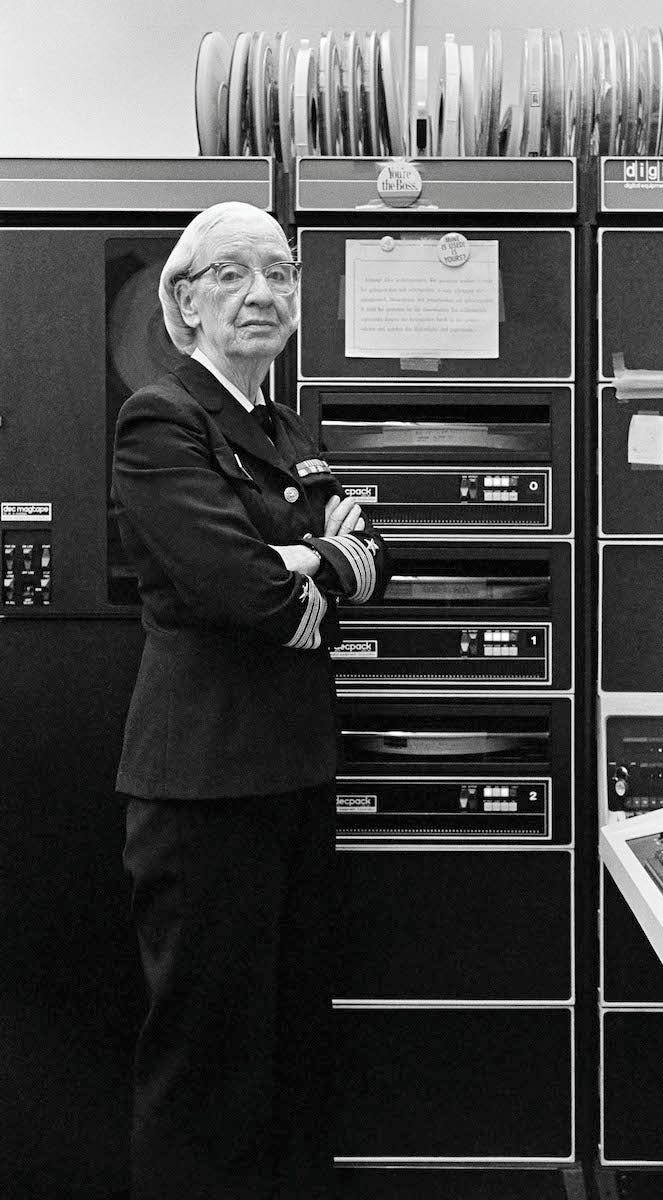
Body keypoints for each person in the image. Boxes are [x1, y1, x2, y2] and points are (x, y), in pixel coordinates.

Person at [112, 200, 388, 1200]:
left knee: (287, 1044)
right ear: (184, 303)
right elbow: (246, 594)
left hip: (295, 773)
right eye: (231, 274)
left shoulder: (283, 428)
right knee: (205, 1058)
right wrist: (318, 558)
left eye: (277, 273)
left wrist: (299, 561)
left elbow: (376, 565)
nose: (263, 293)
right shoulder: (162, 420)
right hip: (204, 788)